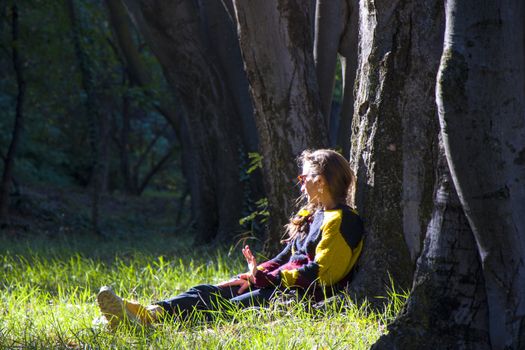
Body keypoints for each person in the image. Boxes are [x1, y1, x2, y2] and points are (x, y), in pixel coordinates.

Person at [97, 149, 364, 328]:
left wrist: (264, 278)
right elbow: (284, 258)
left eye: (304, 177)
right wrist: (253, 274)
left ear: (321, 181)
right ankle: (144, 314)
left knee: (229, 307)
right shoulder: (311, 214)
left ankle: (141, 322)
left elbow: (323, 274)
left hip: (298, 298)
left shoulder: (343, 221)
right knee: (210, 291)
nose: (300, 183)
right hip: (275, 286)